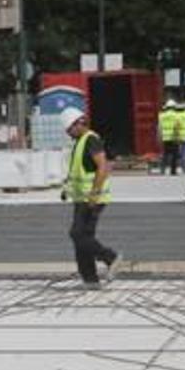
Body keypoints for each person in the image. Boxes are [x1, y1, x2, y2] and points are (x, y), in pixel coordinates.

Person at [59, 108, 120, 289]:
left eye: (69, 129)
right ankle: (90, 280)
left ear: (78, 123)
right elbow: (77, 170)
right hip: (81, 198)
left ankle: (110, 257)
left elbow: (102, 167)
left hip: (93, 199)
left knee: (77, 234)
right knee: (82, 238)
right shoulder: (78, 141)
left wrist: (94, 194)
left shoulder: (91, 140)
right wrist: (66, 189)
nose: (68, 133)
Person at [158, 100, 180, 175]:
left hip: (165, 137)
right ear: (174, 107)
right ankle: (173, 171)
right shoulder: (177, 115)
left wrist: (159, 137)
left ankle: (162, 170)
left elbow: (159, 127)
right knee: (174, 155)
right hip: (173, 137)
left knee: (165, 155)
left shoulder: (161, 115)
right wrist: (177, 137)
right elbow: (177, 127)